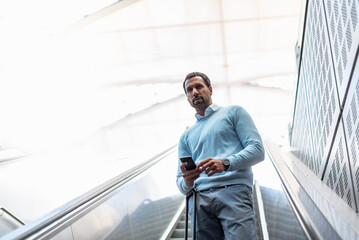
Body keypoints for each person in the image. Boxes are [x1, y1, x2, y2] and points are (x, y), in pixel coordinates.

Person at [176, 72, 265, 240]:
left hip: (234, 191)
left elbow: (257, 150)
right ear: (187, 98)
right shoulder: (185, 137)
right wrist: (187, 181)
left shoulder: (233, 112)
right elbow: (180, 183)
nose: (194, 92)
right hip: (198, 200)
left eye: (199, 86)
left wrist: (225, 163)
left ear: (210, 89)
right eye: (189, 90)